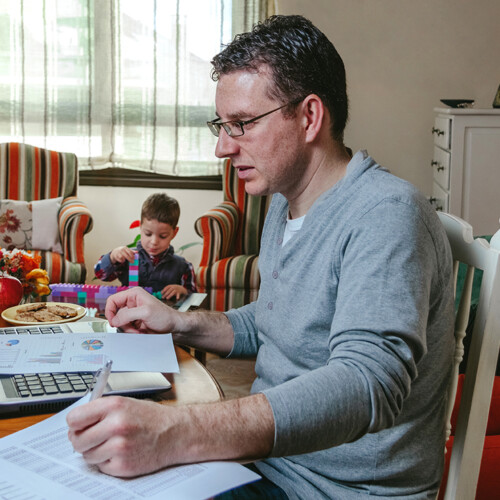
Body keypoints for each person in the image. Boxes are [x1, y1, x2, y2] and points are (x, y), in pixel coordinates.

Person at [67, 15, 455, 499]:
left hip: (336, 490)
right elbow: (275, 322)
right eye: (222, 125)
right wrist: (177, 321)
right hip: (269, 466)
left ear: (310, 117)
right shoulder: (286, 201)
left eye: (242, 125)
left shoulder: (386, 214)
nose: (221, 148)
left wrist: (178, 432)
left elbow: (368, 383)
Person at [94, 192, 197, 301]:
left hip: (164, 316)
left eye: (163, 236)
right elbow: (101, 275)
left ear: (174, 233)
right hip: (128, 313)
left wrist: (183, 291)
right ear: (140, 227)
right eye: (148, 234)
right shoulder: (128, 257)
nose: (154, 242)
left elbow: (195, 299)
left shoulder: (183, 266)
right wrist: (112, 257)